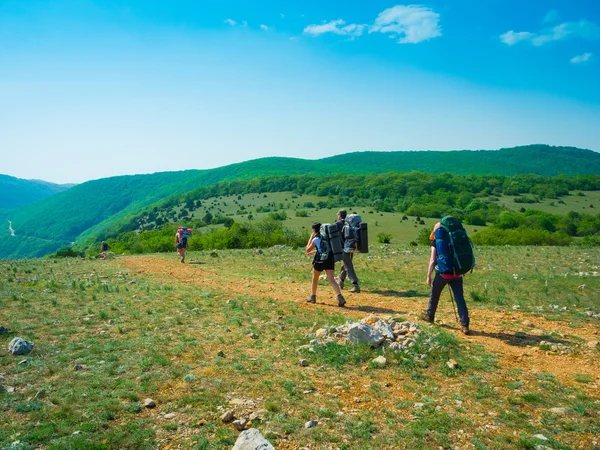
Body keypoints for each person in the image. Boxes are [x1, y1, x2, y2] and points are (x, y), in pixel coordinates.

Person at [422, 223, 470, 334]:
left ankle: (430, 316)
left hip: (442, 274)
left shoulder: (437, 242)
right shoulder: (454, 240)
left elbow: (432, 260)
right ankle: (465, 324)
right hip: (457, 274)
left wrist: (428, 276)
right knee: (459, 298)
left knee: (434, 294)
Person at [305, 222, 346, 307]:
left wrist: (311, 237)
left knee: (315, 278)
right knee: (332, 280)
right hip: (329, 260)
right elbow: (324, 249)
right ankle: (340, 297)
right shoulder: (328, 238)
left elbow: (307, 250)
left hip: (320, 261)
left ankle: (313, 296)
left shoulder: (316, 239)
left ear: (314, 230)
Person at [335, 209, 360, 293]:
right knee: (346, 263)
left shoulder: (338, 224)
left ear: (340, 215)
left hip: (344, 247)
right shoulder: (349, 224)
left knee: (348, 264)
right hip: (351, 246)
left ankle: (355, 284)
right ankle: (341, 281)